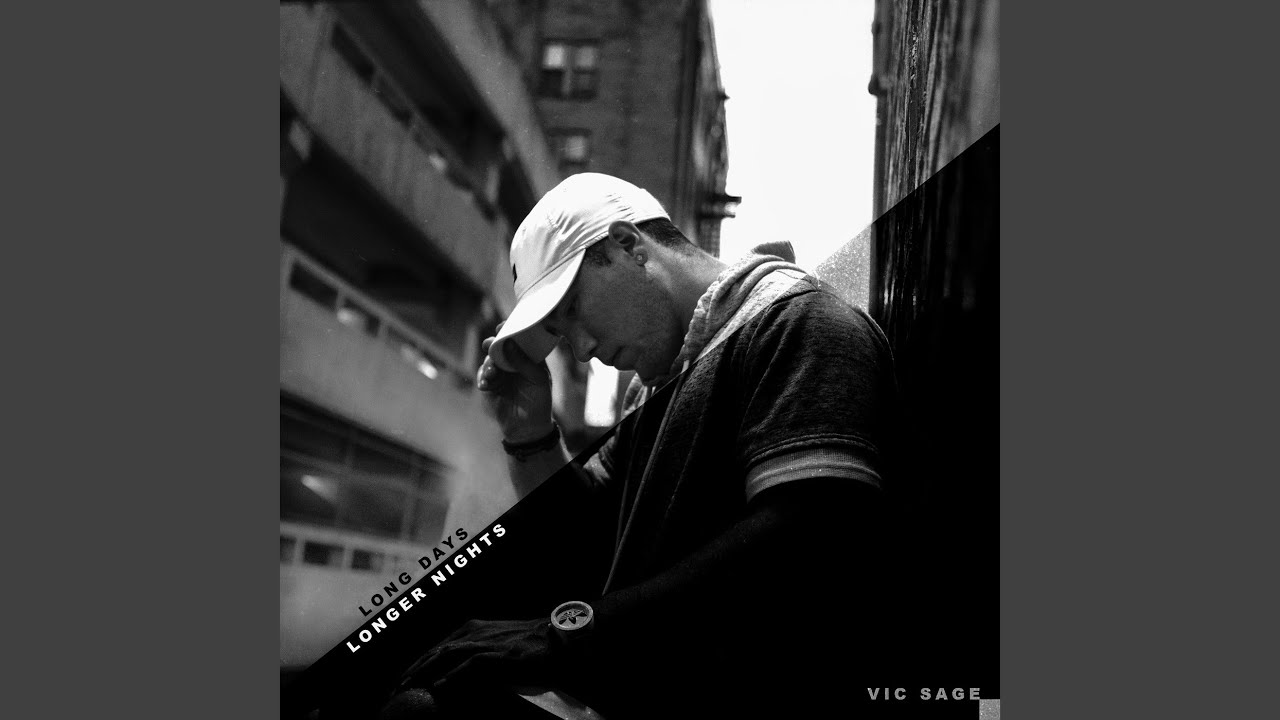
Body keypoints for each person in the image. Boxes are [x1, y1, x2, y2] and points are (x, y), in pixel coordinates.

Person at [382, 173, 903, 719]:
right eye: (560, 332)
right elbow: (586, 544)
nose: (580, 349)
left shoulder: (797, 321)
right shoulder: (652, 390)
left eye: (573, 310)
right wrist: (529, 433)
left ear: (628, 245)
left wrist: (566, 635)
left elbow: (809, 538)